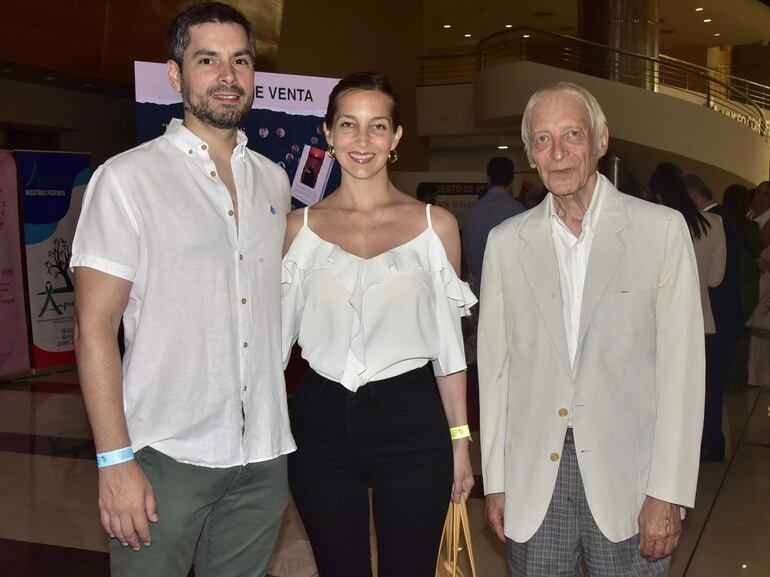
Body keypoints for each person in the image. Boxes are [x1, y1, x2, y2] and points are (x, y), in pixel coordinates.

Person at [71, 4, 295, 576]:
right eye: (207, 59)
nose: (228, 75)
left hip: (262, 454)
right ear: (175, 75)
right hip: (163, 455)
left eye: (240, 60)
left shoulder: (272, 179)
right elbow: (94, 328)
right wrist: (114, 460)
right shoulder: (127, 179)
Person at [478, 82, 704, 577]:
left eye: (572, 135)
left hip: (632, 481)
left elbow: (683, 372)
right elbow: (495, 372)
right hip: (536, 481)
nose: (557, 153)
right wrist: (494, 479)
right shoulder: (505, 244)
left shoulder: (660, 231)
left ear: (601, 141)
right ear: (529, 155)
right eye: (542, 140)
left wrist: (667, 493)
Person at [281, 71, 476, 577]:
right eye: (348, 125)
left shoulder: (437, 227)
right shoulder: (295, 230)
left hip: (411, 423)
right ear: (327, 133)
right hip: (319, 424)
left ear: (396, 138)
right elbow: (272, 351)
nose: (362, 141)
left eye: (377, 126)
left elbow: (448, 350)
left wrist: (460, 443)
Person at [650, 165, 725, 461]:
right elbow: (715, 279)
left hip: (658, 321)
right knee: (697, 390)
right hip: (699, 320)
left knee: (661, 392)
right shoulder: (714, 223)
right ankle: (696, 447)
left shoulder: (654, 222)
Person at [461, 157, 525, 295]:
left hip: (480, 290)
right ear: (512, 179)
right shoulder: (518, 210)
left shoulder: (470, 212)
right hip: (509, 291)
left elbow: (468, 258)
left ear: (488, 178)